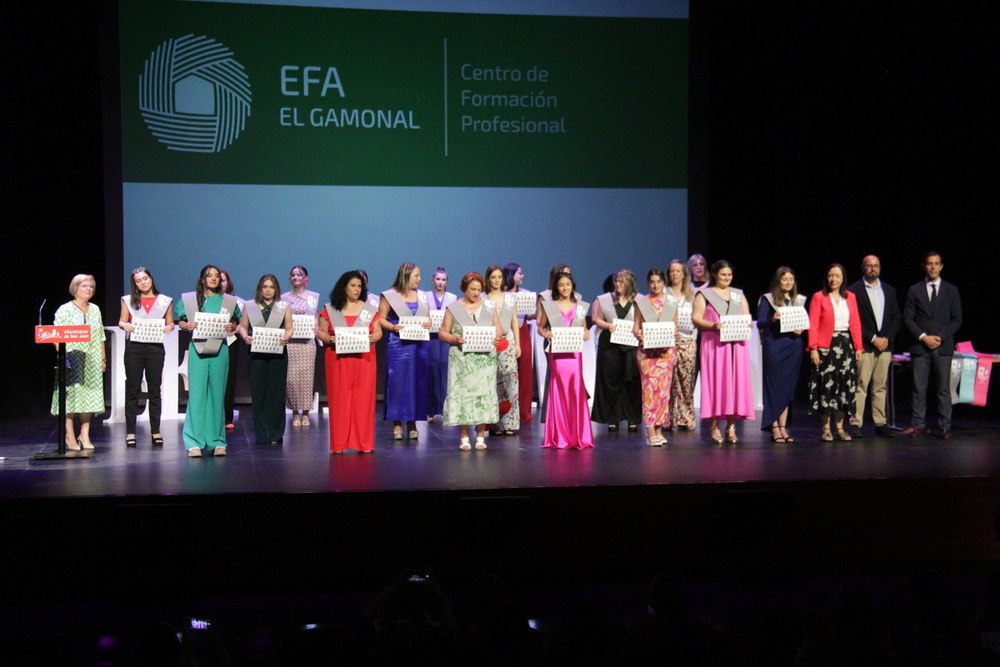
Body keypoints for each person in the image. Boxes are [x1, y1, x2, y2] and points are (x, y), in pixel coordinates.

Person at [175, 265, 241, 456]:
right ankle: (193, 442)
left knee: (217, 395)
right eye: (209, 276)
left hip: (220, 350)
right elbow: (180, 320)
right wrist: (186, 325)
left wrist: (232, 326)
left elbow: (236, 322)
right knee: (197, 395)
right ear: (202, 279)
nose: (213, 279)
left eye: (216, 276)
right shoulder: (190, 299)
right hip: (197, 350)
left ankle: (217, 441)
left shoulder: (228, 301)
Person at [318, 270, 382, 453]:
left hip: (364, 359)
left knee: (364, 401)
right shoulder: (331, 309)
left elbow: (378, 332)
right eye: (353, 286)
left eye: (359, 286)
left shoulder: (368, 309)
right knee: (339, 400)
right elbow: (320, 331)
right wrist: (330, 339)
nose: (356, 289)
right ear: (344, 287)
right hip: (338, 359)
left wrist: (373, 337)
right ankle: (339, 444)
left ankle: (364, 443)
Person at [692, 260, 755, 444]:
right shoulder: (704, 294)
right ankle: (714, 427)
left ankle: (731, 426)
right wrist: (712, 325)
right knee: (716, 384)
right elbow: (696, 318)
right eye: (723, 275)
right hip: (715, 345)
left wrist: (747, 323)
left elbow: (745, 315)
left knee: (734, 386)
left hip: (736, 345)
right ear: (715, 275)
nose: (727, 278)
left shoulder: (738, 295)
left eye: (729, 274)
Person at [438, 272, 503, 450]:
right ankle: (464, 436)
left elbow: (499, 328)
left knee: (482, 395)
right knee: (463, 396)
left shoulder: (489, 307)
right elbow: (443, 332)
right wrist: (454, 339)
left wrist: (496, 336)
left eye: (479, 290)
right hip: (461, 360)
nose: (476, 293)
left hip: (484, 359)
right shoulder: (454, 308)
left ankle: (480, 436)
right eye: (472, 289)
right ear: (464, 288)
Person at [902, 251, 962, 439]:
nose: (933, 267)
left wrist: (940, 337)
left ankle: (945, 426)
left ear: (941, 266)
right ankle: (918, 425)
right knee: (919, 388)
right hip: (921, 347)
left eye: (936, 263)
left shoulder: (951, 290)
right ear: (924, 266)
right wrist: (923, 337)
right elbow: (908, 318)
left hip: (942, 347)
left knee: (943, 388)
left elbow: (956, 319)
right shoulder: (914, 290)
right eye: (929, 263)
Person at [807, 263, 865, 441]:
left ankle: (840, 428)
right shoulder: (819, 297)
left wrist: (858, 347)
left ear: (843, 279)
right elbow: (813, 325)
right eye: (831, 275)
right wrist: (813, 348)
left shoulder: (851, 297)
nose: (834, 279)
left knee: (844, 387)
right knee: (827, 387)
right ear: (827, 277)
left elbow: (855, 323)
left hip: (845, 345)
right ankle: (826, 428)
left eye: (837, 276)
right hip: (826, 346)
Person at [118, 267, 174, 447]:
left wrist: (170, 327)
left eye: (145, 278)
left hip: (155, 349)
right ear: (134, 284)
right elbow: (122, 320)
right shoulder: (129, 301)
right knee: (133, 389)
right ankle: (130, 432)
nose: (143, 282)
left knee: (154, 390)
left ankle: (156, 431)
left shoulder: (164, 301)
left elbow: (170, 322)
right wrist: (123, 325)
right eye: (138, 280)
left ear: (151, 279)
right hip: (134, 348)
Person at [847, 255, 902, 438]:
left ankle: (880, 422)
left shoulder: (889, 290)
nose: (873, 269)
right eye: (869, 266)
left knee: (880, 386)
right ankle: (856, 422)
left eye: (876, 266)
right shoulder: (853, 290)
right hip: (865, 345)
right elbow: (853, 321)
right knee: (861, 384)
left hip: (885, 346)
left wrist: (886, 338)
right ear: (863, 268)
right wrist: (872, 338)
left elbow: (896, 317)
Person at [538, 272, 594, 449]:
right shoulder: (550, 306)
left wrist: (586, 333)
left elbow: (585, 329)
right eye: (561, 285)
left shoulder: (580, 307)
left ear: (572, 286)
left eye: (567, 284)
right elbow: (540, 327)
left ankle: (578, 436)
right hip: (558, 353)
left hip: (574, 354)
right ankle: (560, 436)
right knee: (558, 389)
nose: (564, 288)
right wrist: (544, 332)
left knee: (575, 390)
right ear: (556, 287)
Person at [50, 274, 106, 450]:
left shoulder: (95, 309)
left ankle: (85, 435)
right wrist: (63, 358)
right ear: (75, 289)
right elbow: (56, 336)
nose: (89, 289)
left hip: (92, 360)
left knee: (89, 397)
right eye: (84, 286)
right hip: (72, 360)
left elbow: (101, 336)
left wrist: (103, 358)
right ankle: (69, 435)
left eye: (91, 286)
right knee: (71, 398)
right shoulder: (64, 309)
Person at [378, 262, 432, 439]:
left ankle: (413, 422)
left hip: (419, 346)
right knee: (398, 382)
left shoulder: (422, 296)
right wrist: (393, 328)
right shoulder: (390, 295)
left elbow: (428, 319)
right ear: (407, 275)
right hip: (398, 345)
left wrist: (428, 323)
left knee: (417, 382)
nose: (420, 279)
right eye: (417, 275)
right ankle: (396, 422)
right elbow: (381, 319)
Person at [238, 274, 293, 445]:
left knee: (277, 394)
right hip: (256, 355)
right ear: (260, 289)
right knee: (259, 394)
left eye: (271, 287)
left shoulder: (283, 307)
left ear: (276, 289)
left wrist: (287, 337)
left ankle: (276, 434)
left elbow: (290, 328)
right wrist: (245, 337)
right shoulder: (251, 306)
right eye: (265, 287)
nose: (268, 290)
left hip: (278, 353)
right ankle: (262, 434)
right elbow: (243, 327)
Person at [756, 267, 805, 443]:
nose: (788, 283)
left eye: (791, 280)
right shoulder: (768, 299)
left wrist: (801, 330)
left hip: (793, 346)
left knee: (787, 388)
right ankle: (774, 426)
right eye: (784, 280)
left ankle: (783, 427)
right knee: (774, 387)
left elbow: (803, 321)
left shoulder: (797, 301)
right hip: (775, 347)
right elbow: (760, 323)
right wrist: (773, 320)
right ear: (778, 281)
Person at [591, 269, 641, 433]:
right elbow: (595, 318)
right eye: (616, 281)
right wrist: (606, 325)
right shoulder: (604, 299)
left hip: (631, 345)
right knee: (611, 381)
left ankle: (632, 417)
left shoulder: (639, 300)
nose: (618, 284)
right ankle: (613, 418)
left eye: (621, 282)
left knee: (631, 381)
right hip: (610, 345)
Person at [633, 268, 678, 445]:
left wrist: (675, 334)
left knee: (663, 392)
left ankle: (658, 428)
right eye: (652, 282)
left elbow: (674, 326)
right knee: (650, 390)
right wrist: (639, 335)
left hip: (666, 352)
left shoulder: (671, 303)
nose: (655, 285)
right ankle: (650, 430)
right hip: (647, 352)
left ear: (664, 282)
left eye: (658, 281)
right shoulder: (643, 302)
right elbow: (636, 327)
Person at [485, 265, 521, 436]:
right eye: (493, 277)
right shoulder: (484, 299)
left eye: (499, 277)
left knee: (510, 380)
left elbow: (514, 322)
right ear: (488, 279)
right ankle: (495, 424)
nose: (497, 280)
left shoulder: (510, 299)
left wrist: (518, 345)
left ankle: (510, 423)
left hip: (509, 341)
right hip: (491, 342)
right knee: (493, 381)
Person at [282, 265, 319, 426]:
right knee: (291, 379)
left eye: (299, 275)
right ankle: (295, 412)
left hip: (307, 343)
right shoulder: (283, 298)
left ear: (305, 279)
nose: (296, 277)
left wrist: (316, 327)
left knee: (306, 378)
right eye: (293, 275)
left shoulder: (312, 297)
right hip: (291, 343)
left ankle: (305, 413)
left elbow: (316, 316)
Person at [666, 260, 698, 431]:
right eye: (672, 271)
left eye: (678, 271)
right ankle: (668, 418)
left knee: (686, 381)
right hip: (667, 341)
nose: (674, 274)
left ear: (684, 273)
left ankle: (686, 418)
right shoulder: (664, 292)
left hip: (688, 340)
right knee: (668, 381)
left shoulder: (693, 293)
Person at [504, 263, 535, 422]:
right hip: (503, 332)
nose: (522, 276)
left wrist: (536, 311)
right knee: (505, 372)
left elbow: (530, 315)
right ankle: (505, 411)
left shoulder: (526, 294)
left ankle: (524, 412)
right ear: (511, 275)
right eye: (519, 273)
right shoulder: (500, 294)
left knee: (524, 371)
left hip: (522, 331)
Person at [426, 267, 456, 423]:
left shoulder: (452, 298)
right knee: (431, 372)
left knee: (445, 372)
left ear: (446, 282)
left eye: (443, 280)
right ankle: (430, 410)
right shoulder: (424, 297)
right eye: (438, 279)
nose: (440, 282)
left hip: (445, 338)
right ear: (432, 280)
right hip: (430, 338)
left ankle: (444, 409)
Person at [219, 270, 244, 431]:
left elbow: (242, 323)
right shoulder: (206, 300)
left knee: (228, 380)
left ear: (228, 282)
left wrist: (235, 330)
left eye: (222, 280)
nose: (219, 282)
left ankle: (227, 416)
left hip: (230, 342)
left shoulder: (236, 302)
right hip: (211, 341)